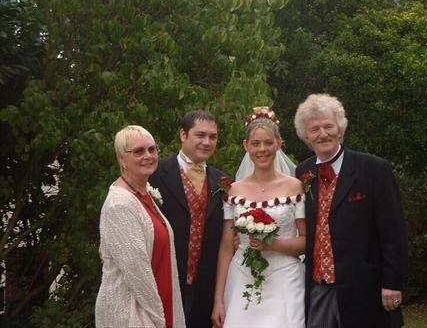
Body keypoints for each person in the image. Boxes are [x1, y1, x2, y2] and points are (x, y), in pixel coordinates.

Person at [294, 93, 408, 328]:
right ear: (306, 136)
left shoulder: (374, 169)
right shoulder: (302, 173)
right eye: (315, 129)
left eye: (328, 126)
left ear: (340, 129)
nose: (323, 133)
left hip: (366, 288)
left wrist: (392, 283)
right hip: (319, 288)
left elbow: (393, 232)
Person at [211, 107, 306, 328]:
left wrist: (272, 244)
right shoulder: (232, 191)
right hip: (241, 277)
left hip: (285, 279)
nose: (262, 149)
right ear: (246, 146)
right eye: (255, 144)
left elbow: (305, 241)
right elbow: (226, 247)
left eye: (268, 143)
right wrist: (218, 299)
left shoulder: (296, 187)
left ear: (279, 144)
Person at [95, 125, 185, 328]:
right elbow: (137, 272)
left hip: (157, 301)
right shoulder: (120, 204)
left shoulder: (144, 194)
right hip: (132, 312)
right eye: (138, 151)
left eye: (152, 149)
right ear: (121, 159)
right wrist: (159, 319)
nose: (148, 155)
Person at [149, 110, 227, 328]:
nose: (207, 142)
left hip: (205, 288)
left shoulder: (223, 181)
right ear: (183, 135)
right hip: (164, 281)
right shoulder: (155, 172)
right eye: (200, 135)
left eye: (212, 137)